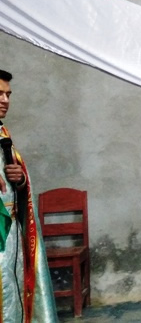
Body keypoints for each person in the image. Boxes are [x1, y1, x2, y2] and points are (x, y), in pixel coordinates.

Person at [0, 69, 58, 321]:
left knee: (12, 290)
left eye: (8, 94)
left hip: (11, 231)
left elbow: (18, 182)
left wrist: (20, 178)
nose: (5, 100)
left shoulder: (3, 135)